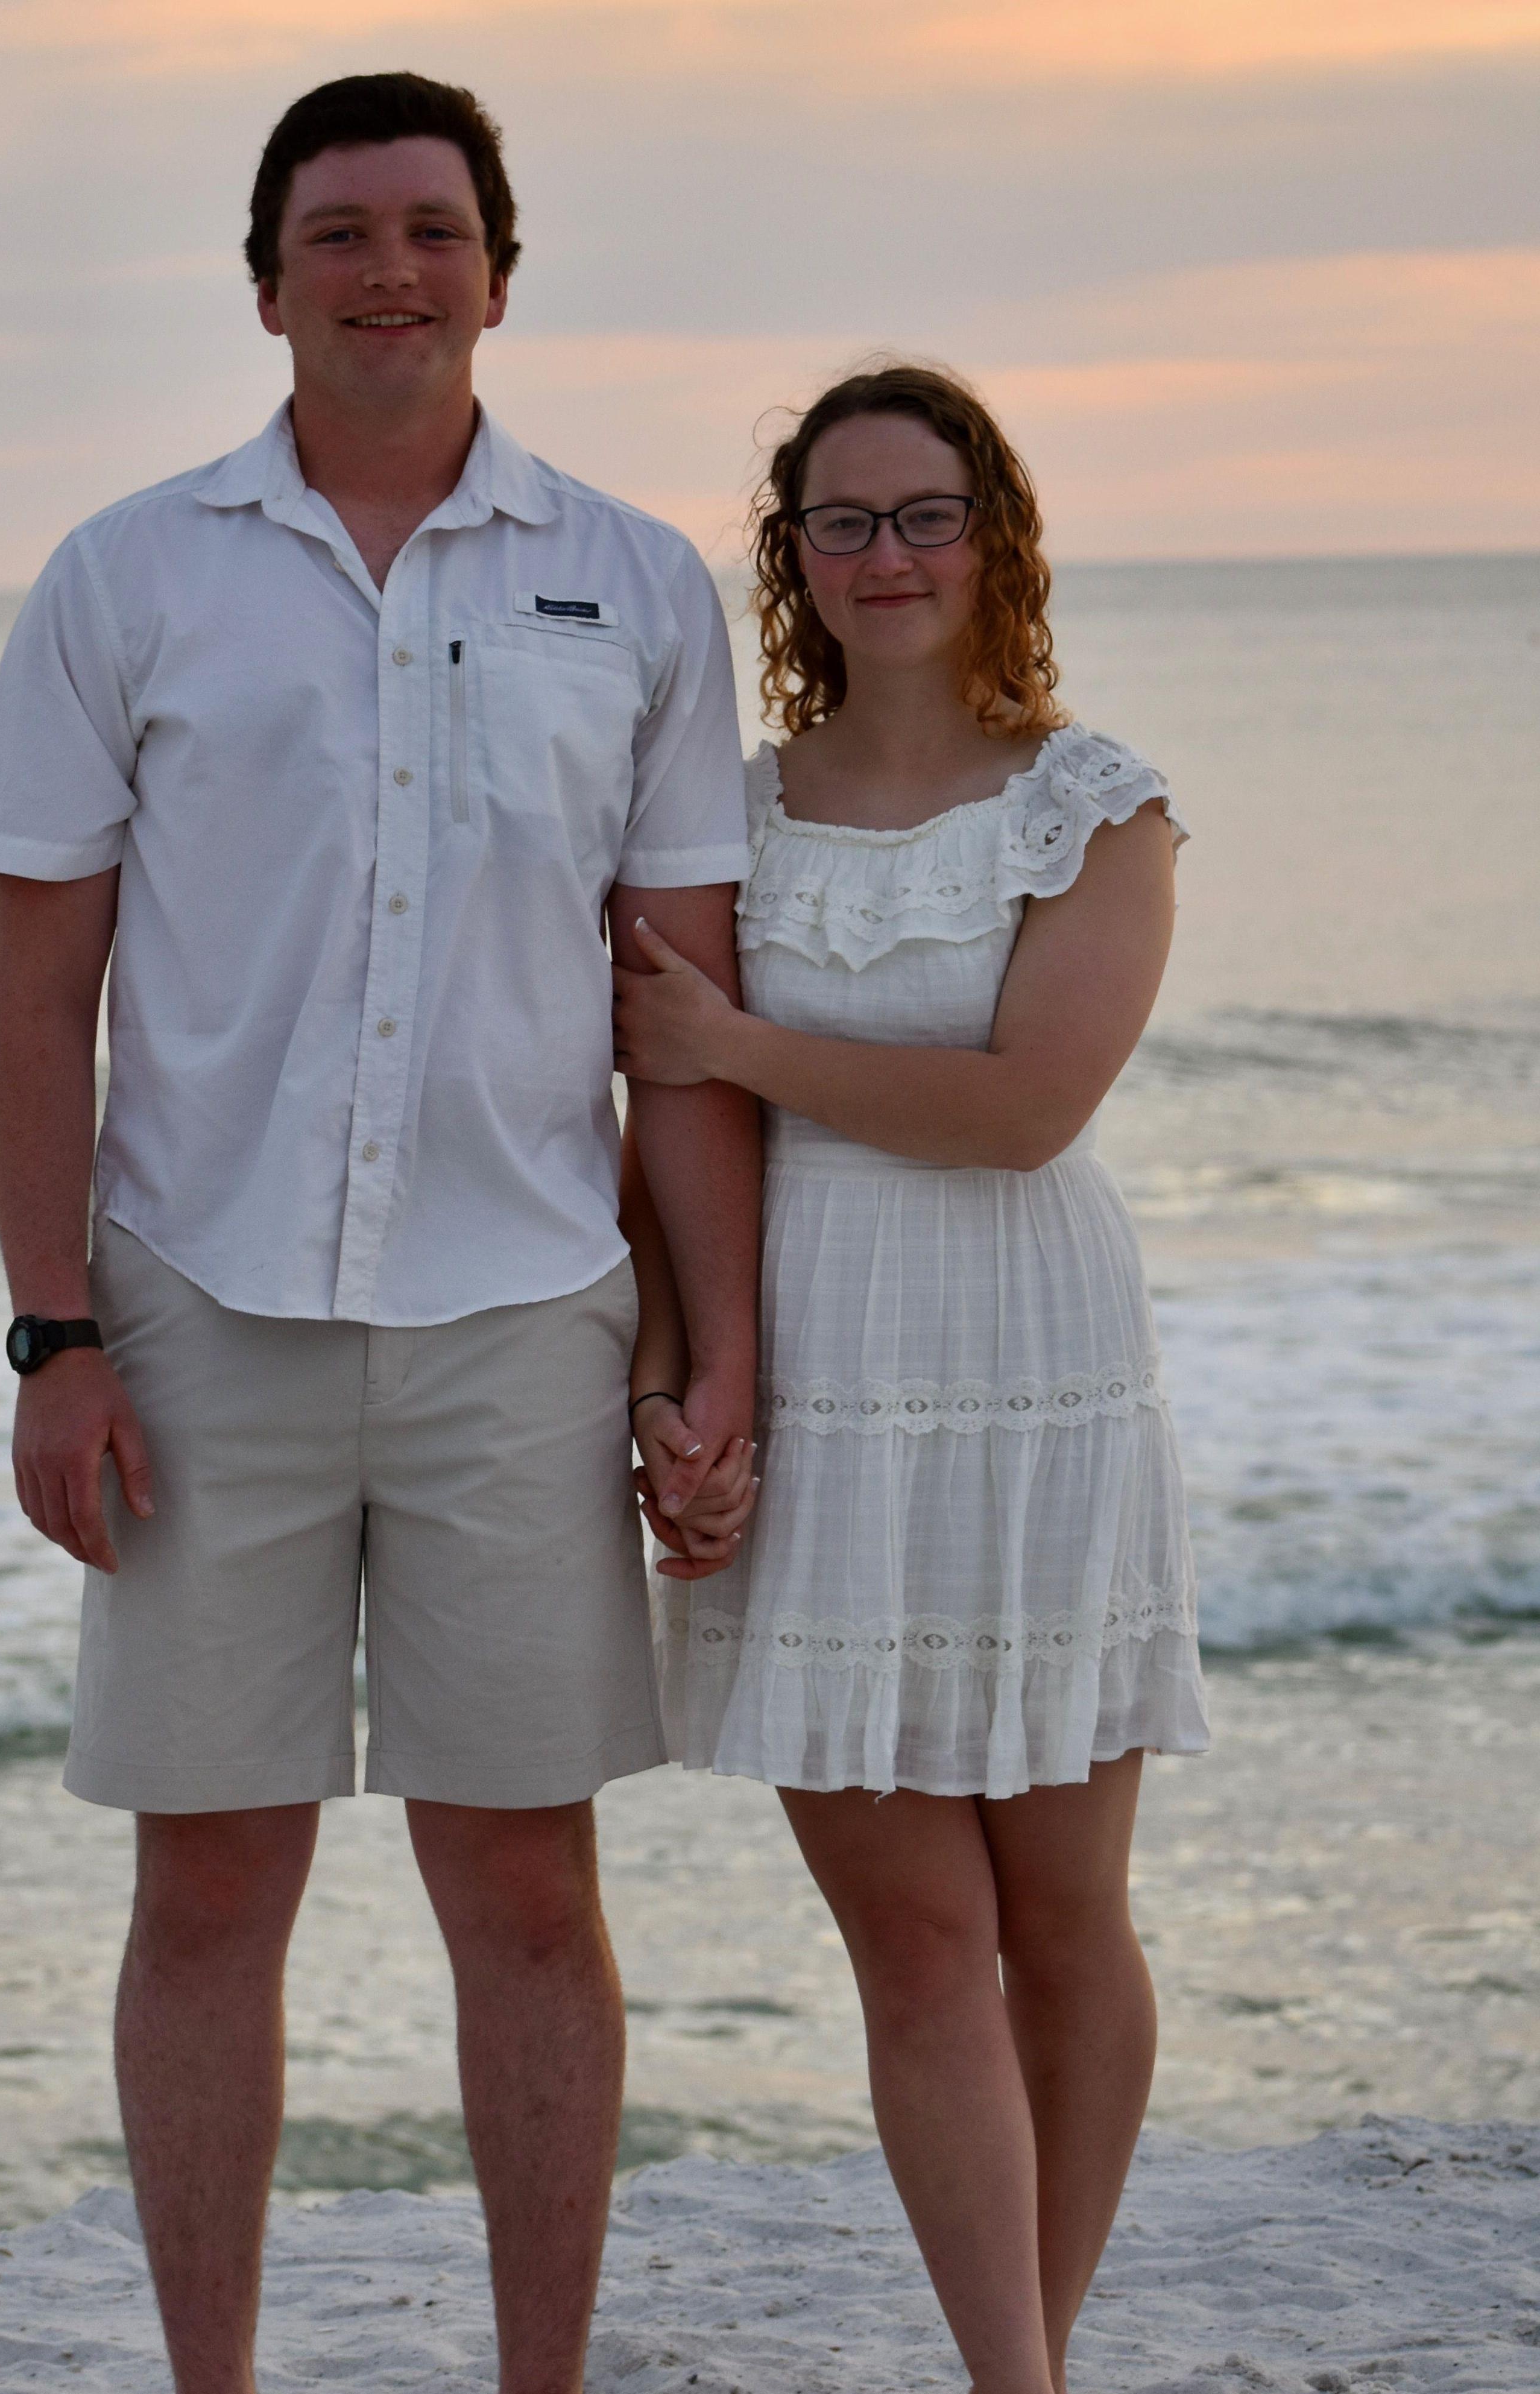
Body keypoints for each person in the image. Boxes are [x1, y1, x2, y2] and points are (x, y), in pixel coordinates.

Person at [0, 72, 759, 2394]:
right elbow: (36, 996)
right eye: (340, 233)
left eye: (433, 229)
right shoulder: (130, 576)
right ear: (264, 287)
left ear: (500, 273)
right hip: (196, 1314)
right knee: (211, 1884)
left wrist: (715, 1352)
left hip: (524, 1316)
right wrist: (52, 1337)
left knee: (524, 1887)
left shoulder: (636, 582)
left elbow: (681, 1021)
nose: (390, 269)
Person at [614, 363, 1209, 2394]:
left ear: (994, 536)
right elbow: (661, 1149)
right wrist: (672, 1388)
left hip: (1036, 1382)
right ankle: (1014, 2376)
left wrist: (736, 1045)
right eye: (844, 521)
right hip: (818, 1386)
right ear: (793, 555)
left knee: (1066, 1919)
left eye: (926, 514)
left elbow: (1029, 1109)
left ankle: (1029, 2362)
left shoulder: (1094, 806)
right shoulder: (727, 814)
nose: (887, 554)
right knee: (917, 1941)